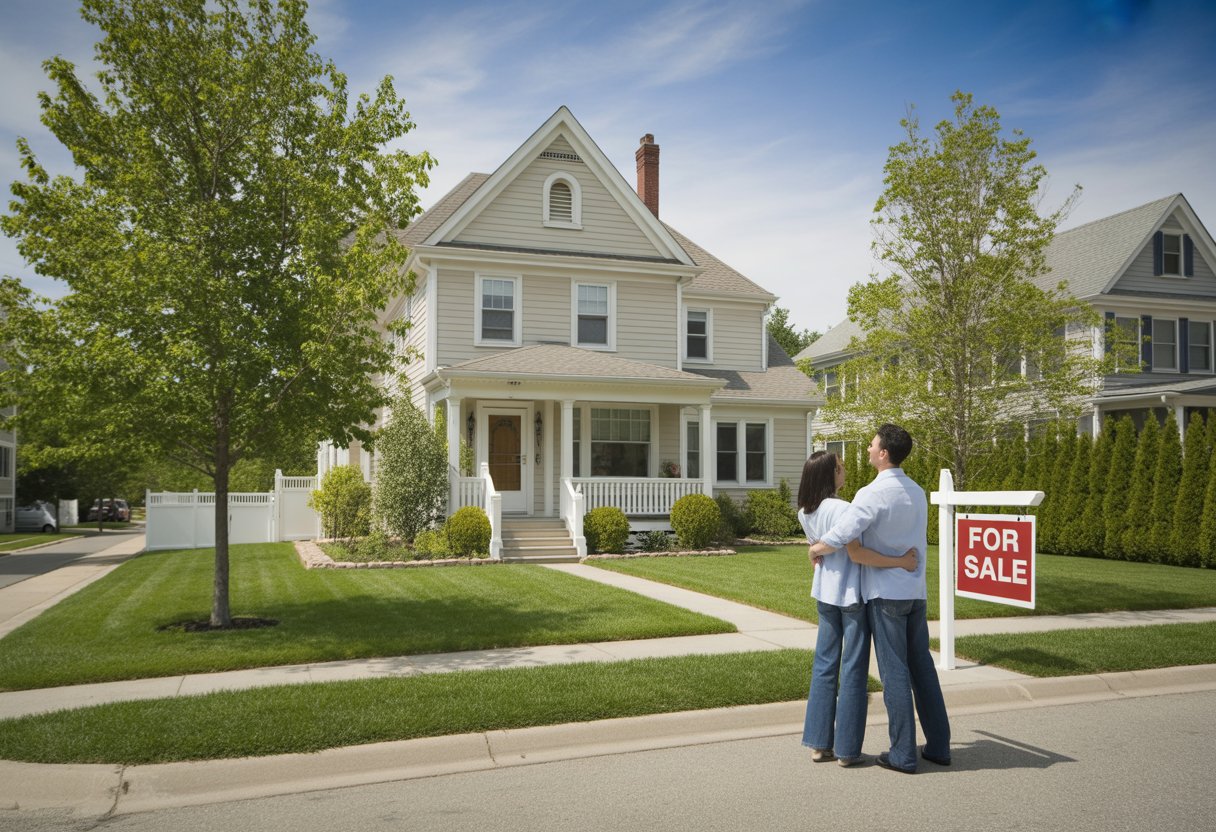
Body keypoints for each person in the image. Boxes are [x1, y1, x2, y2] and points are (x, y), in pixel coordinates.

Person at [807, 425, 951, 773]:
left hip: (886, 595)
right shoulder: (917, 491)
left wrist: (816, 548)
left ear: (884, 453)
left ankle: (902, 753)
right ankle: (938, 746)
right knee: (922, 668)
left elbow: (842, 536)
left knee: (895, 674)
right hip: (915, 592)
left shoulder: (871, 494)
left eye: (872, 445)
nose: (869, 450)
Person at [797, 450, 916, 767]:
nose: (844, 469)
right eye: (839, 466)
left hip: (824, 595)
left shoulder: (804, 512)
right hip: (851, 598)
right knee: (852, 671)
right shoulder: (844, 509)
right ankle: (848, 751)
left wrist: (814, 552)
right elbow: (857, 553)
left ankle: (819, 744)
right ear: (830, 475)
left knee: (824, 667)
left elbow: (820, 551)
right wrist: (901, 562)